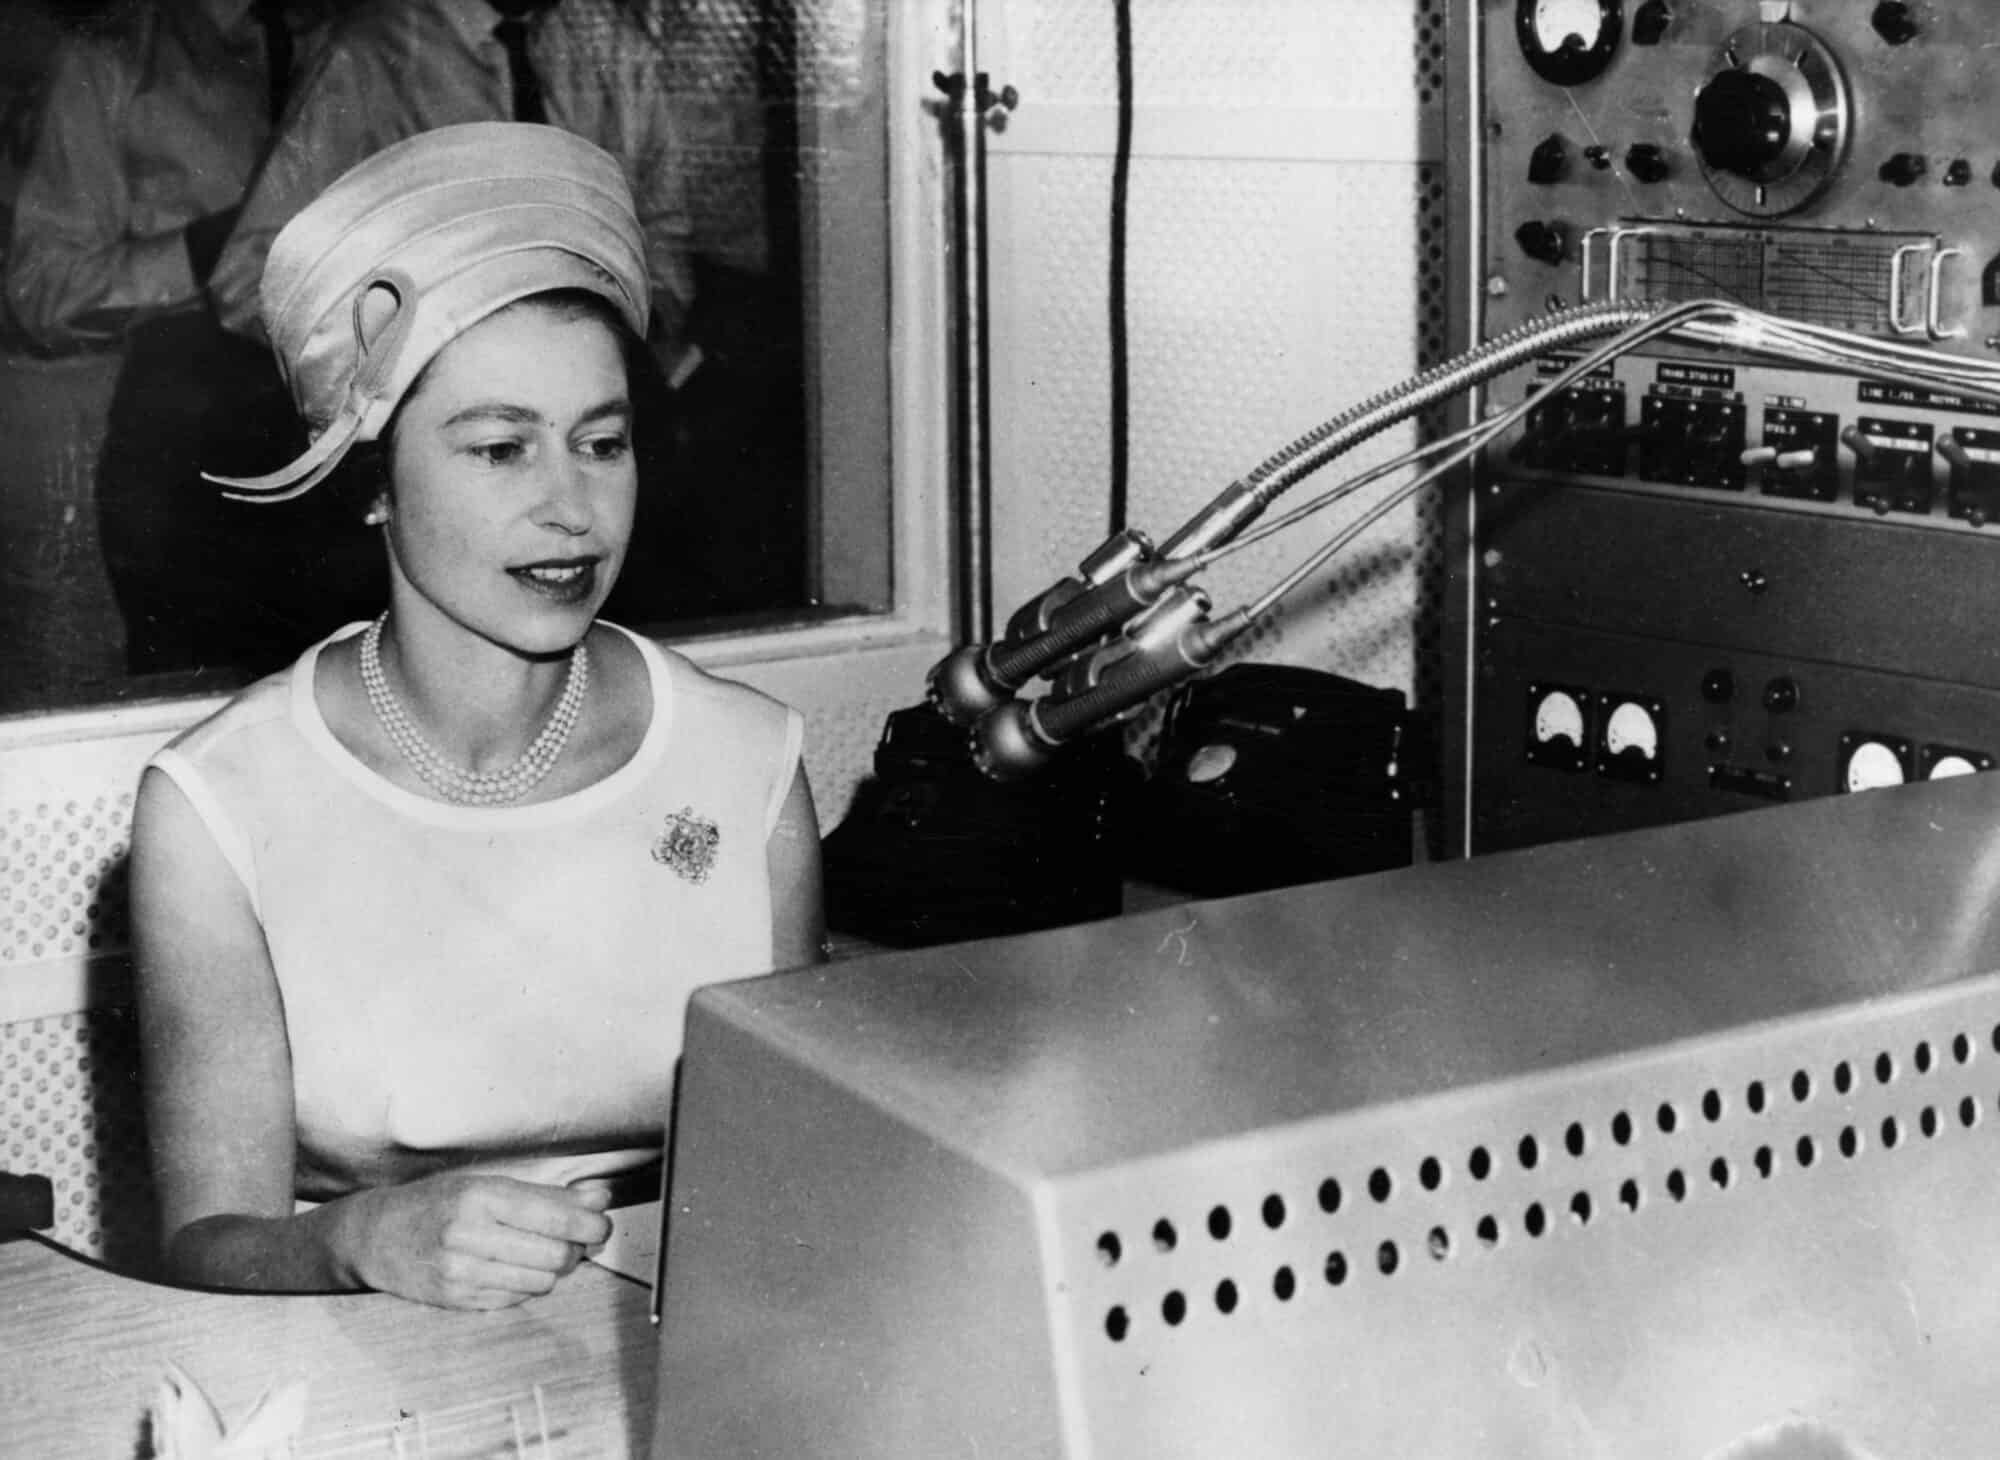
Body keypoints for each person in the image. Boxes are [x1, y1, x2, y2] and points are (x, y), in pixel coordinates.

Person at [130, 122, 825, 1310]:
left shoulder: (745, 763)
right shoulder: (218, 805)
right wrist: (356, 1239)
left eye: (601, 442)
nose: (572, 506)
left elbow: (797, 1182)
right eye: (501, 448)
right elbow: (207, 1245)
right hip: (351, 1352)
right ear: (373, 483)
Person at [205, 0, 805, 621]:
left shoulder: (609, 39)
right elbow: (249, 276)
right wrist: (416, 356)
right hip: (448, 457)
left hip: (608, 425)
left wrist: (631, 340)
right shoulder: (372, 52)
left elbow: (663, 229)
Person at [5, 0, 351, 677]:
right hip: (193, 432)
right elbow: (42, 289)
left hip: (349, 416)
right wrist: (213, 247)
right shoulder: (113, 60)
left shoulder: (365, 38)